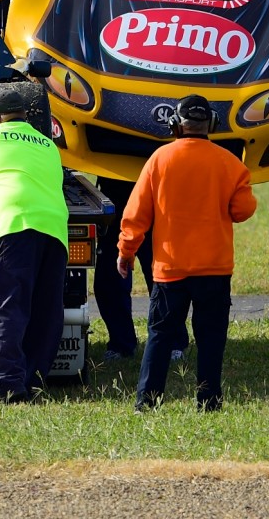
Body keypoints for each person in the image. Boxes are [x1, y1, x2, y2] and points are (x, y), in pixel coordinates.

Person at [117, 94, 257, 412]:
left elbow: (136, 214)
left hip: (170, 268)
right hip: (214, 268)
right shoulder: (230, 164)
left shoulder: (159, 160)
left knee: (160, 336)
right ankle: (208, 402)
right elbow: (243, 210)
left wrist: (126, 252)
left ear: (175, 126)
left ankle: (147, 402)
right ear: (211, 124)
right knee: (211, 338)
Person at [0, 87, 69, 405]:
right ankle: (31, 382)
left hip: (13, 224)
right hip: (56, 228)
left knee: (5, 308)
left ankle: (4, 387)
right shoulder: (48, 144)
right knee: (46, 311)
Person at [94, 177, 189, 362]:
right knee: (109, 281)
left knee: (164, 278)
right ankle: (121, 344)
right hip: (116, 196)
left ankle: (173, 342)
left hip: (158, 198)